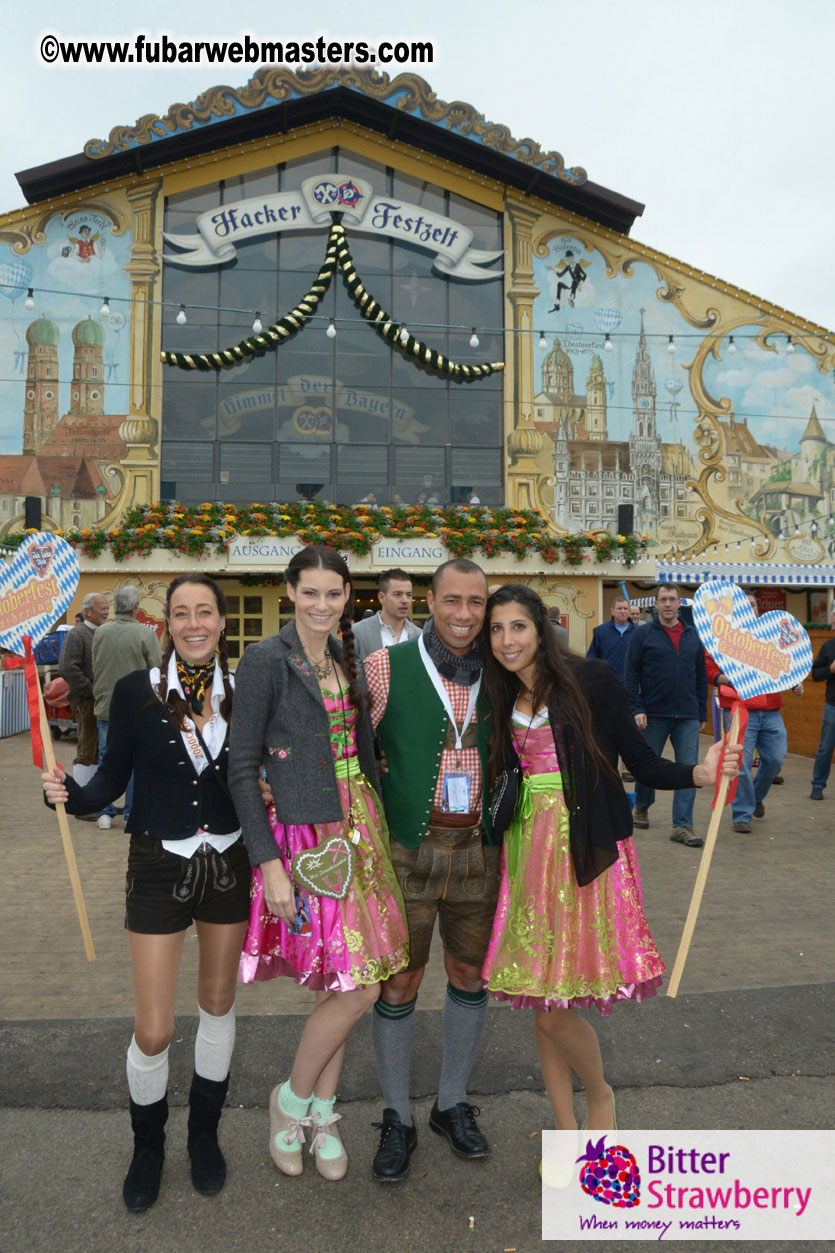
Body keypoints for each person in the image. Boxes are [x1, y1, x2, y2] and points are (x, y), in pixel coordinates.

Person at [479, 585, 740, 1163]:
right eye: (496, 630)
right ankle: (566, 1127)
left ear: (541, 629)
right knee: (542, 1000)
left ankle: (599, 1096)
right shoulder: (495, 693)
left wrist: (697, 772)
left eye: (517, 627)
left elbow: (638, 758)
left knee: (555, 1006)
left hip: (585, 851)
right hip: (527, 857)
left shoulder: (590, 678)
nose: (506, 641)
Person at [42, 574, 249, 1212]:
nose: (194, 623)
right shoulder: (137, 692)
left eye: (205, 613)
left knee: (217, 1006)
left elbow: (261, 774)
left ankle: (204, 1136)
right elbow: (110, 779)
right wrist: (68, 796)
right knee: (155, 1029)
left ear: (221, 621)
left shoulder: (244, 693)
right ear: (166, 623)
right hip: (159, 864)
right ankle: (148, 1146)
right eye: (181, 613)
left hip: (230, 863)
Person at [228, 545, 408, 1182]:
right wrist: (268, 864)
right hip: (307, 839)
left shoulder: (343, 657)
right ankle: (293, 1103)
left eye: (334, 594)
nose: (323, 605)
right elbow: (242, 769)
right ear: (289, 591)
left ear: (346, 599)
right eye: (311, 593)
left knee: (349, 979)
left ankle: (319, 1112)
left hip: (360, 827)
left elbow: (362, 748)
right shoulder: (264, 661)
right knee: (358, 985)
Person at [364, 558, 493, 1181]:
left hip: (479, 849)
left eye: (476, 601)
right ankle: (396, 1115)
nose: (464, 614)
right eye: (452, 600)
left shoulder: (506, 667)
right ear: (429, 602)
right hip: (406, 849)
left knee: (469, 973)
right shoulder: (385, 666)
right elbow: (349, 746)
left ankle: (449, 1103)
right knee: (400, 983)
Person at [708, 592, 802, 831]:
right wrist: (724, 678)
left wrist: (795, 682)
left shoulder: (771, 634)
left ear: (758, 608)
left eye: (753, 604)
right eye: (746, 605)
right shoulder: (726, 634)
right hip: (740, 710)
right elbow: (708, 665)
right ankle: (742, 815)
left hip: (771, 710)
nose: (750, 608)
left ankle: (755, 797)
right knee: (740, 764)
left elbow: (787, 663)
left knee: (775, 759)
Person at [624, 585, 708, 847]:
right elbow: (631, 674)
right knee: (647, 767)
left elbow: (701, 675)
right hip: (653, 714)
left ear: (680, 603)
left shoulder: (694, 634)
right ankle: (642, 806)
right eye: (664, 600)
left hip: (687, 715)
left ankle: (682, 825)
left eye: (673, 599)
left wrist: (701, 709)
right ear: (656, 604)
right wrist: (637, 708)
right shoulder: (643, 634)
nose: (668, 604)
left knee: (688, 768)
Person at [92, 585, 162, 829]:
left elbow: (95, 666)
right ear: (136, 607)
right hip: (138, 709)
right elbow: (157, 670)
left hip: (105, 705)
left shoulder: (101, 632)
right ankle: (132, 813)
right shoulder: (145, 634)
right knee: (136, 762)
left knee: (105, 759)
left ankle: (104, 811)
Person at [58, 591, 108, 795]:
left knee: (96, 751)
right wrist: (91, 689)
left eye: (107, 607)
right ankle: (80, 801)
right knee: (86, 751)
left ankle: (93, 799)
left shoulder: (102, 632)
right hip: (86, 701)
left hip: (98, 700)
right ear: (89, 612)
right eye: (102, 608)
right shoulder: (77, 634)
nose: (107, 612)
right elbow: (67, 668)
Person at [352, 568, 422, 660]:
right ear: (381, 598)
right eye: (397, 594)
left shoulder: (420, 636)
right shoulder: (357, 633)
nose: (405, 600)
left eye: (408, 595)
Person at [810, 603, 835, 799]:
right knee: (825, 748)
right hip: (832, 707)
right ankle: (818, 785)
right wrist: (831, 670)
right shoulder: (828, 647)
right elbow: (816, 674)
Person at [586, 596, 635, 682]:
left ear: (629, 611)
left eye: (625, 608)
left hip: (632, 682)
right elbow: (592, 658)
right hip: (608, 682)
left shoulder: (638, 632)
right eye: (619, 608)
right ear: (612, 611)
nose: (622, 611)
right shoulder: (601, 631)